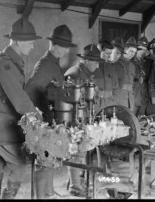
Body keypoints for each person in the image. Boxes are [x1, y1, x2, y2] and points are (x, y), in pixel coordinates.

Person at [0, 17, 42, 199]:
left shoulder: (11, 60)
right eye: (30, 43)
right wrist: (36, 115)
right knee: (19, 166)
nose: (32, 47)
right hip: (1, 124)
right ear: (17, 42)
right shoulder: (4, 63)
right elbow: (18, 97)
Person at [25, 24, 77, 199]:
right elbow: (31, 88)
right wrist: (43, 111)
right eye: (64, 47)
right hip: (44, 122)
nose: (66, 51)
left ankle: (48, 193)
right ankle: (42, 196)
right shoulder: (46, 64)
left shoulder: (54, 64)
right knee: (44, 160)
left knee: (51, 158)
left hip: (51, 120)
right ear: (54, 45)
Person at [64, 44, 105, 197]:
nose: (97, 64)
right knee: (76, 153)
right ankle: (75, 186)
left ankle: (76, 181)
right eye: (95, 61)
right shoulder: (75, 74)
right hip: (74, 120)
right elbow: (71, 102)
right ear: (87, 61)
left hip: (82, 117)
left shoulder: (84, 73)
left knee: (82, 151)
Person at [113, 36, 137, 111]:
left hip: (130, 100)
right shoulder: (116, 63)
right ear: (125, 49)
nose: (132, 54)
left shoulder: (132, 66)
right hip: (119, 99)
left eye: (134, 52)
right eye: (131, 51)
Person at [132, 36, 153, 116]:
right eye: (139, 49)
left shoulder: (149, 62)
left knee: (142, 117)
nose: (141, 51)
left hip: (144, 92)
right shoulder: (131, 60)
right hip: (134, 91)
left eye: (144, 49)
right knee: (132, 115)